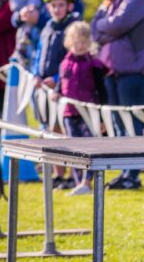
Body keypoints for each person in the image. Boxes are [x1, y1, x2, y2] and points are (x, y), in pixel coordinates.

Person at [91, 0, 144, 190]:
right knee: (118, 125)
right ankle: (124, 171)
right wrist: (105, 26)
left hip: (133, 71)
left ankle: (133, 175)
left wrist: (104, 25)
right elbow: (95, 31)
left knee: (132, 125)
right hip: (111, 72)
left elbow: (118, 24)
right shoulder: (111, 1)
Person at [54, 21, 106, 196]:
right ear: (69, 42)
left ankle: (88, 180)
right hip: (69, 113)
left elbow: (102, 91)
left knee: (89, 147)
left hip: (88, 113)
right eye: (76, 42)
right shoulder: (64, 63)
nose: (80, 46)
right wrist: (56, 93)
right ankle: (78, 182)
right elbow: (62, 83)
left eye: (84, 42)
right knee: (73, 147)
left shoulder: (94, 64)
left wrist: (102, 118)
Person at [31, 0, 80, 119]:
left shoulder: (74, 29)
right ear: (48, 7)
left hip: (64, 87)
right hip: (44, 85)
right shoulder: (47, 28)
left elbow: (74, 61)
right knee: (45, 122)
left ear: (70, 6)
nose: (57, 9)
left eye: (61, 5)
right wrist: (36, 74)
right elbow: (39, 54)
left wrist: (57, 79)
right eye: (53, 5)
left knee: (62, 123)